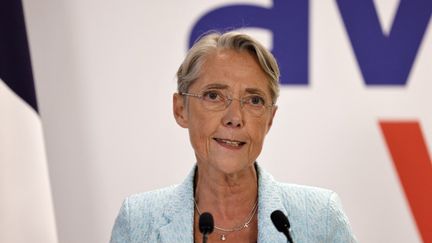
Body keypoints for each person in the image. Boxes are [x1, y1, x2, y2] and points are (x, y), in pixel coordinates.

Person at [110, 31, 357, 242]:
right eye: (214, 95)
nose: (235, 117)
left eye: (254, 100)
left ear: (270, 119)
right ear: (180, 109)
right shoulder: (139, 221)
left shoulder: (320, 218)